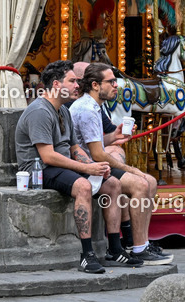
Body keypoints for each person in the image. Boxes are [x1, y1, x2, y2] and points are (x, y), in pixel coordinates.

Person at [14, 59, 115, 274]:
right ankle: (87, 255)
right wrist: (87, 171)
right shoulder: (40, 111)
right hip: (38, 170)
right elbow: (48, 156)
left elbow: (74, 148)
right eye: (72, 81)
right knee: (83, 187)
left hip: (60, 166)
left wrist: (93, 165)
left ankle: (115, 248)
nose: (78, 85)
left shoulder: (63, 110)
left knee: (112, 185)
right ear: (57, 85)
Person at [70, 63, 171, 266]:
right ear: (95, 85)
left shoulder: (93, 106)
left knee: (149, 181)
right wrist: (129, 168)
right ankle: (139, 247)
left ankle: (139, 244)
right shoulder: (87, 109)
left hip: (93, 162)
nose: (116, 85)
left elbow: (96, 144)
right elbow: (97, 154)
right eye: (111, 82)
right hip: (86, 167)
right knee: (142, 183)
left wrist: (113, 136)